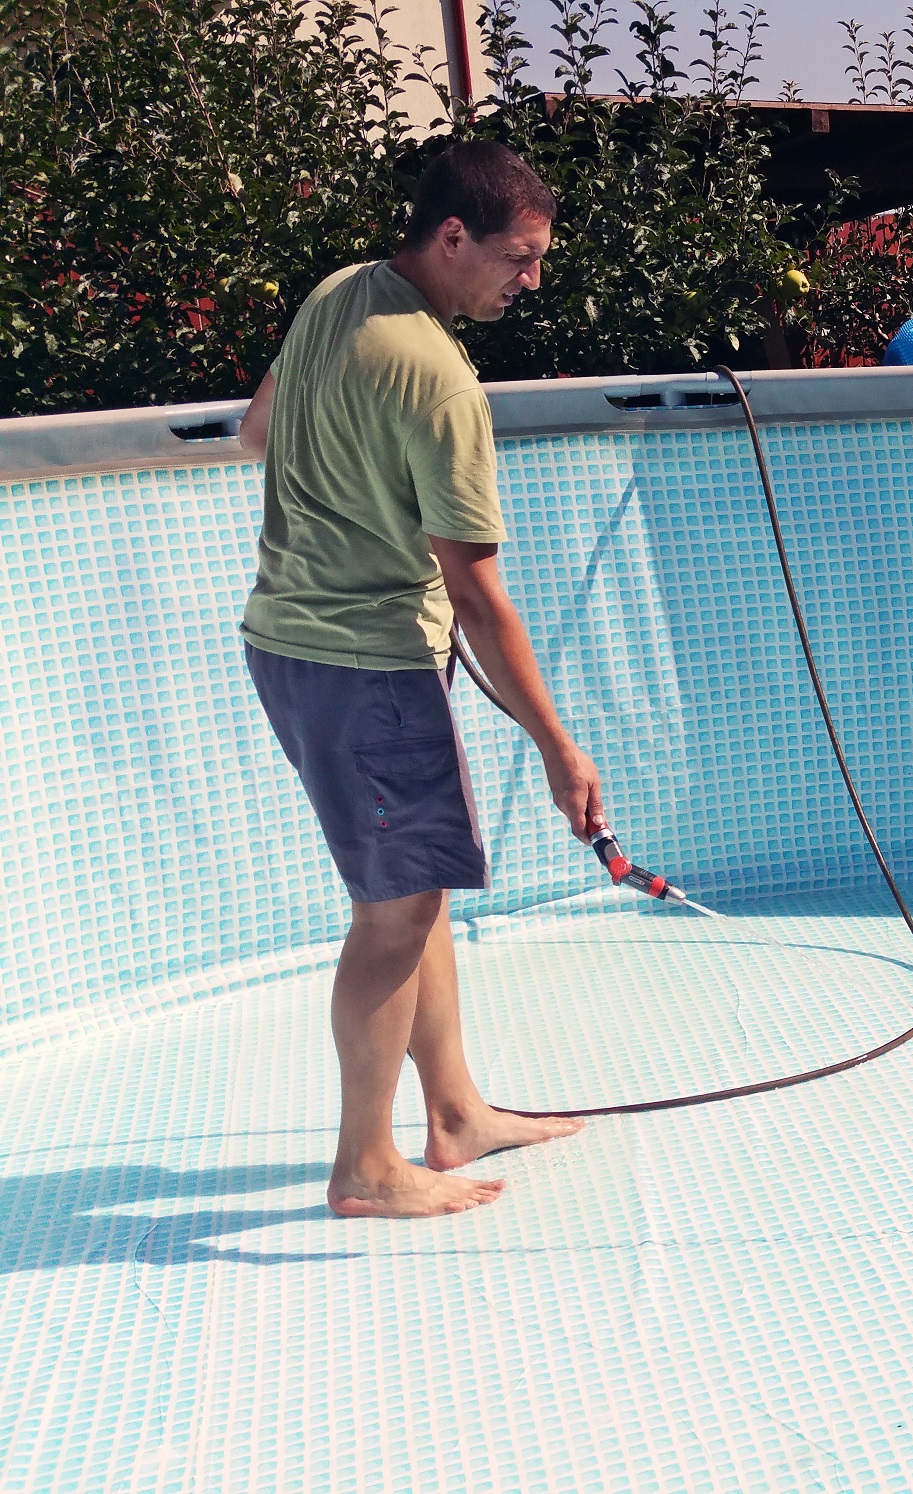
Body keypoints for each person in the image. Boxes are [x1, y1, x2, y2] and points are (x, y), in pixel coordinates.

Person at [238, 140, 598, 1217]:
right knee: (393, 912)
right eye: (518, 259)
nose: (529, 281)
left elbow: (258, 430)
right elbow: (480, 595)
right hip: (368, 667)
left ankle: (452, 1112)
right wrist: (557, 746)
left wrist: (347, 495)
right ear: (454, 237)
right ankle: (365, 1168)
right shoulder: (441, 377)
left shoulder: (339, 292)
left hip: (290, 642)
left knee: (417, 885)